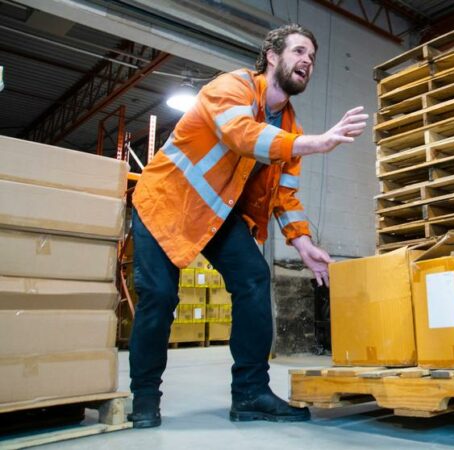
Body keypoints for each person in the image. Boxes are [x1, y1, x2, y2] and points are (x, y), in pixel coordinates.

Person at [127, 23, 368, 428]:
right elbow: (242, 135)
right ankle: (145, 399)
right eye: (299, 51)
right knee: (160, 297)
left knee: (255, 278)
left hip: (217, 213)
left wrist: (304, 243)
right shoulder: (233, 87)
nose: (307, 60)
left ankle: (251, 393)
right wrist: (318, 143)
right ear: (272, 55)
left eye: (312, 56)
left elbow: (285, 196)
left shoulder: (292, 129)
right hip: (166, 202)